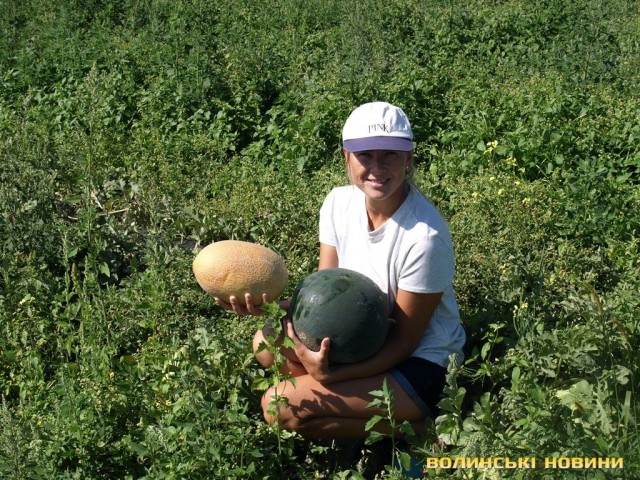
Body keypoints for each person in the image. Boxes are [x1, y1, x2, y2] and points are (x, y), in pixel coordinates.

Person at [216, 101, 466, 441]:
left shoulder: (424, 238)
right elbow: (325, 297)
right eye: (365, 155)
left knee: (282, 407)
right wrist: (271, 307)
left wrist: (329, 376)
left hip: (420, 362)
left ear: (409, 158)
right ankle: (345, 405)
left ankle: (417, 430)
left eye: (389, 154)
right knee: (266, 342)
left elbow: (405, 341)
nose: (377, 167)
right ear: (346, 157)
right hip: (361, 340)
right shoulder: (338, 203)